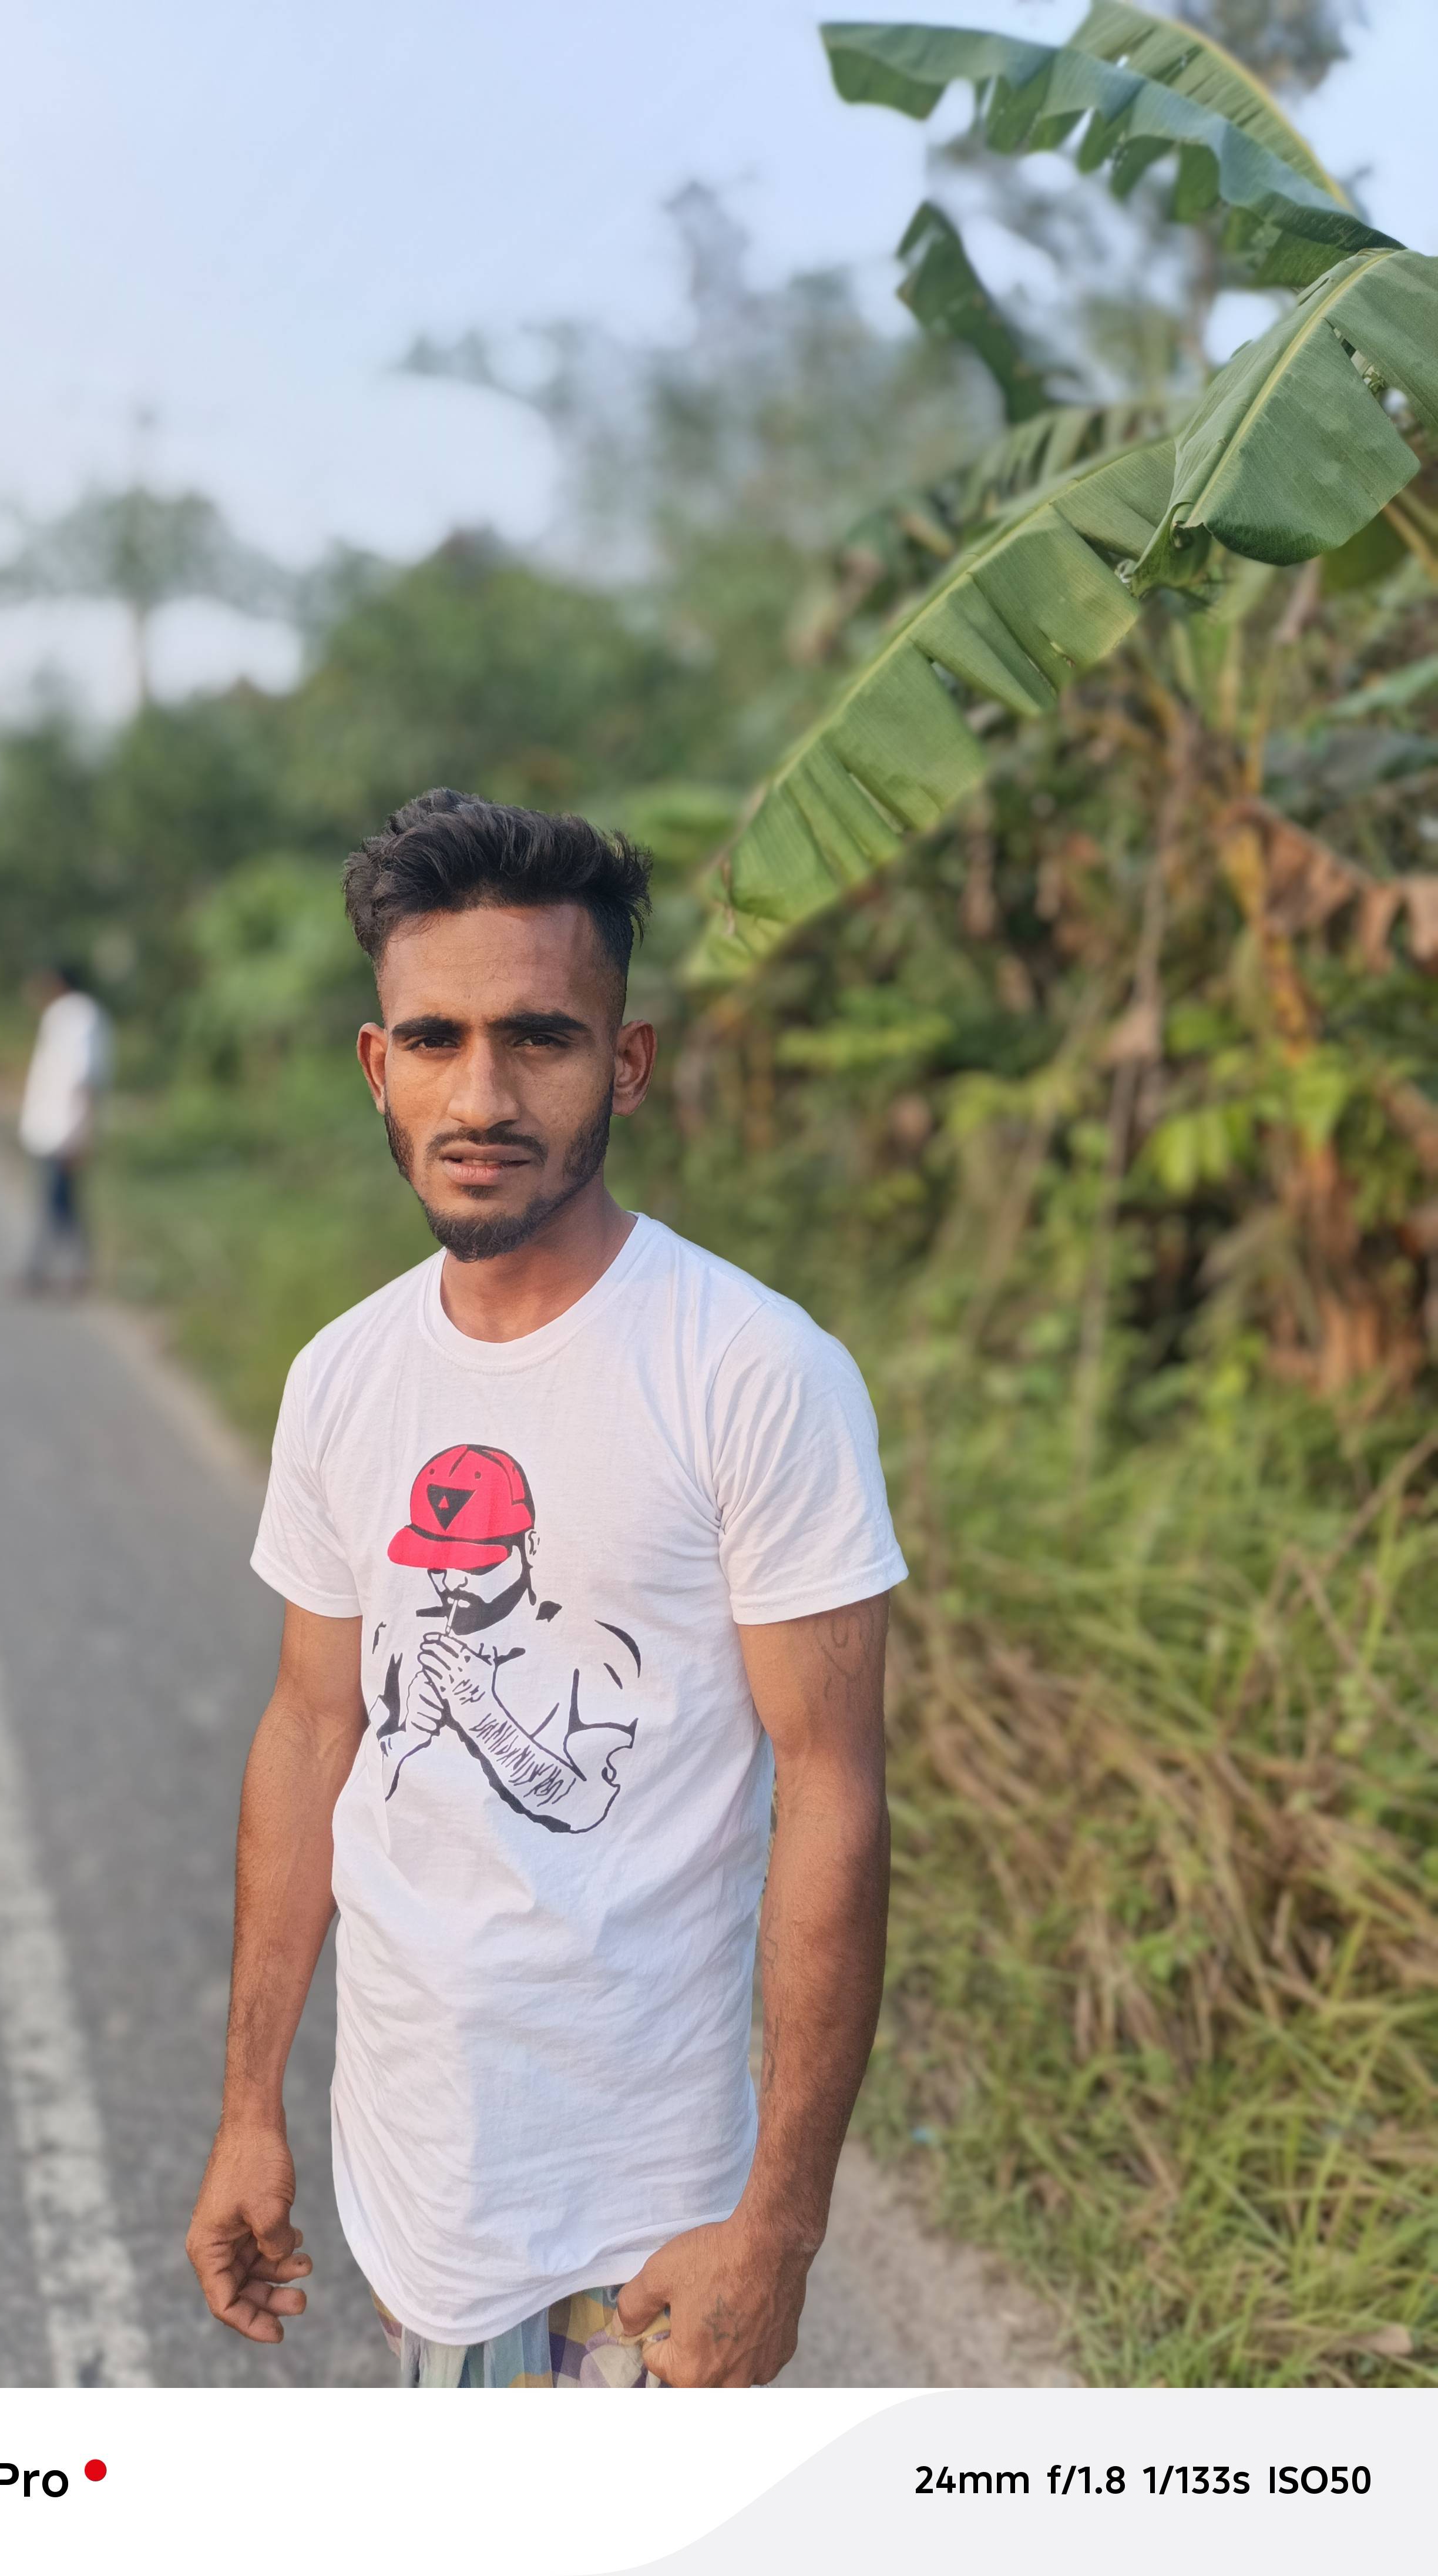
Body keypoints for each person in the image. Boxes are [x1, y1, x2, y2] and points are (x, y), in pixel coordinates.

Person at [186, 790, 906, 2388]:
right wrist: (248, 2113)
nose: (482, 1094)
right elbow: (311, 1734)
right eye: (433, 1040)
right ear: (378, 1066)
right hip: (407, 2175)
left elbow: (831, 1788)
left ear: (626, 1063)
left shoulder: (750, 1372)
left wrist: (779, 2226)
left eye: (540, 1039)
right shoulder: (344, 1376)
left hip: (636, 2213)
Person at [15, 960, 109, 1294]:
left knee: (59, 1203)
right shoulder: (63, 1016)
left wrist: (81, 1135)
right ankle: (56, 1270)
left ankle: (62, 1271)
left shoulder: (79, 1017)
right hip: (51, 1128)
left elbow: (85, 1080)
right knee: (58, 1202)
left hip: (64, 1131)